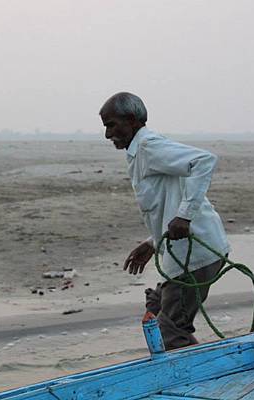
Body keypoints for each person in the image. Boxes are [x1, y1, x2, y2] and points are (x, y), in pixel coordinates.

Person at [99, 92, 231, 350]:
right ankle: (194, 357)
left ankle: (191, 377)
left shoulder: (149, 147)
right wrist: (152, 242)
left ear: (132, 120)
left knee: (169, 331)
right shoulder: (140, 152)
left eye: (111, 125)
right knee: (157, 305)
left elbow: (204, 161)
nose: (107, 134)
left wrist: (185, 215)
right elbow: (167, 198)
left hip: (196, 255)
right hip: (182, 254)